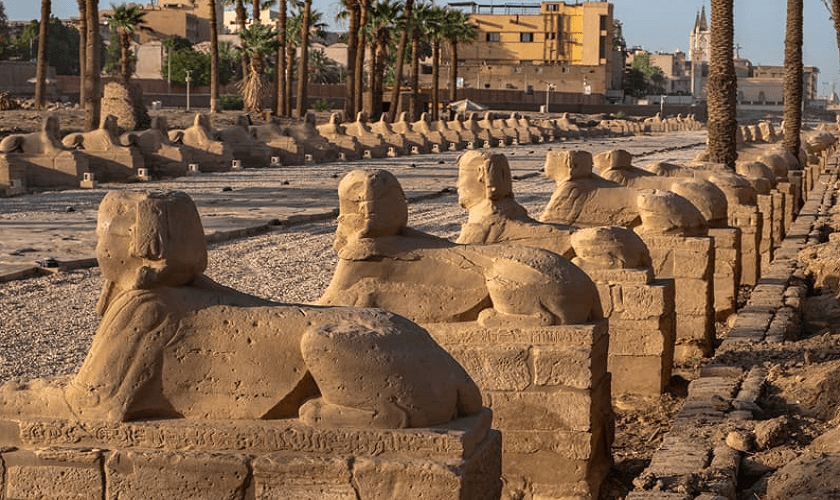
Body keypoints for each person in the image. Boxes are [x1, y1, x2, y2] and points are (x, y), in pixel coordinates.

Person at [1, 190, 482, 428]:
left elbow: (92, 406)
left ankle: (380, 412)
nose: (98, 244)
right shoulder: (185, 295)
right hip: (424, 366)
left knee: (326, 339)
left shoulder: (149, 309)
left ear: (136, 245)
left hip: (394, 379)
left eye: (103, 233)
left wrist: (15, 395)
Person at [319, 169, 602, 327]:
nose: (456, 184)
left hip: (545, 293)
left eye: (461, 176)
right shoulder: (399, 244)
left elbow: (329, 308)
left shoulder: (368, 255)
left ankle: (535, 316)